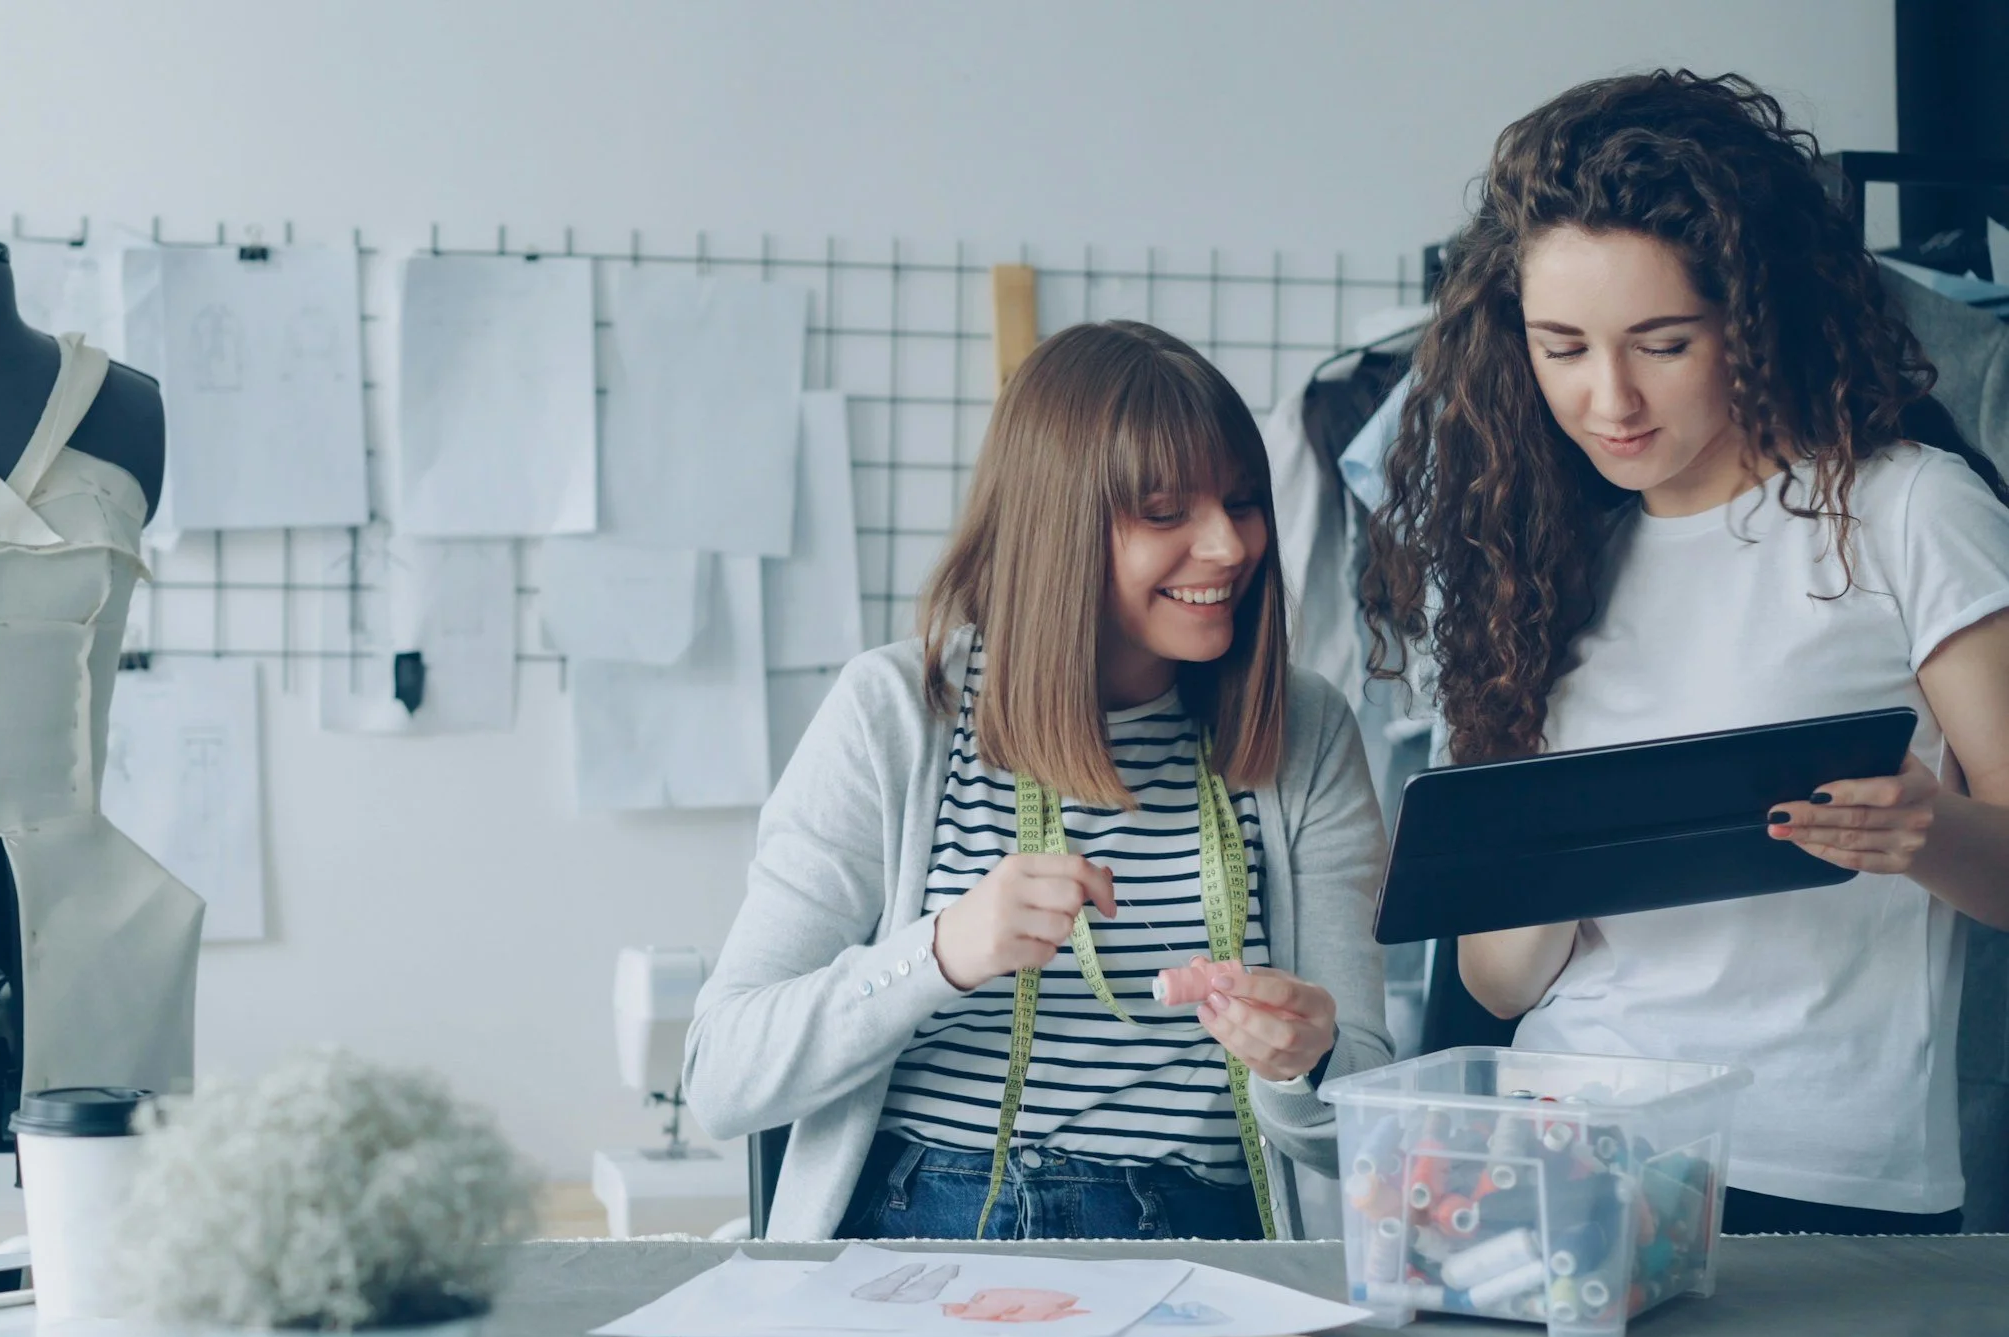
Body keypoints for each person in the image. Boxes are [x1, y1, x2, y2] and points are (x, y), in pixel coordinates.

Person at [1362, 71, 2009, 1235]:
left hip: (1816, 1170)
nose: (1608, 398)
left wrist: (1928, 832)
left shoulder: (1908, 512)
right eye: (1560, 347)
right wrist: (1552, 861)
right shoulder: (1536, 561)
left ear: (1754, 318)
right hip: (1563, 1149)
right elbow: (1496, 986)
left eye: (1662, 343)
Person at [684, 321, 1391, 1241]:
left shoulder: (1305, 730)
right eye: (1166, 512)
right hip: (925, 1224)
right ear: (1059, 529)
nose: (1228, 546)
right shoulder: (896, 714)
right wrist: (937, 954)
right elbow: (723, 1075)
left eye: (1245, 502)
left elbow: (1365, 1124)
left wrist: (1307, 1061)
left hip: (1202, 1243)